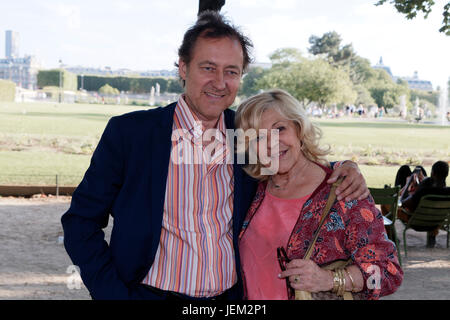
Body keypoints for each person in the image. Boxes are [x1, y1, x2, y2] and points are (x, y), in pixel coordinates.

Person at [61, 11, 368, 300]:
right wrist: (112, 294)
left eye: (231, 71)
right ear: (183, 68)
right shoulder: (131, 134)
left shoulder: (248, 134)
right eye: (208, 68)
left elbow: (295, 164)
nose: (220, 82)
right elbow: (80, 221)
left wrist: (342, 168)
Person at [236, 89, 403, 300]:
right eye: (259, 136)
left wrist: (330, 279)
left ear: (298, 128)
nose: (271, 143)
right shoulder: (253, 188)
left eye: (279, 129)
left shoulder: (345, 192)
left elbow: (388, 272)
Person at [399, 161, 450, 247]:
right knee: (434, 212)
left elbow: (403, 202)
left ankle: (391, 237)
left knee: (386, 206)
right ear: (446, 174)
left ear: (432, 173)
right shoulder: (448, 192)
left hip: (416, 223)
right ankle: (432, 235)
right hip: (436, 223)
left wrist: (409, 183)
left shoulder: (424, 192)